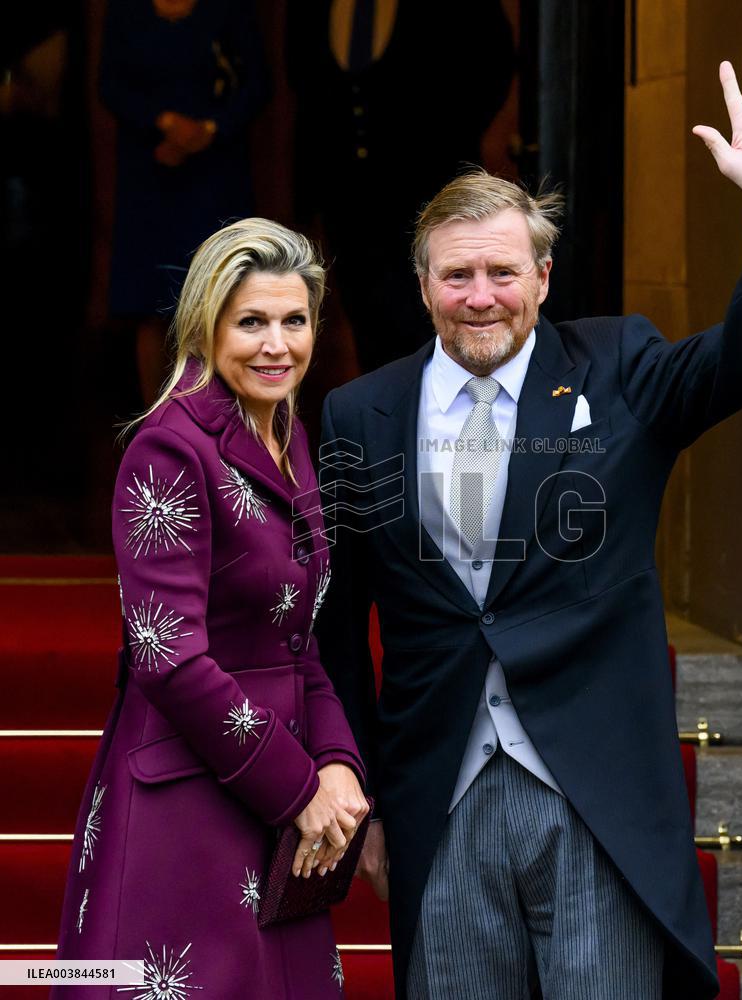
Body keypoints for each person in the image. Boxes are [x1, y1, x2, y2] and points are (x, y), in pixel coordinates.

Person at [315, 50, 742, 999]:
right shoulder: (359, 414)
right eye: (457, 274)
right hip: (440, 797)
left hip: (596, 799)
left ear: (544, 277)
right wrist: (364, 792)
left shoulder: (619, 368)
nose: (480, 295)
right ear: (423, 284)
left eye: (502, 272)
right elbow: (339, 630)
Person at [53, 218, 369, 999]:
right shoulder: (168, 448)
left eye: (294, 321)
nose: (276, 346)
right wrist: (302, 789)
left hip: (278, 810)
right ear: (206, 326)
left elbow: (300, 642)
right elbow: (169, 660)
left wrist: (338, 761)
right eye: (251, 322)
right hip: (187, 808)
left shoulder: (290, 436)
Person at [286, 0, 515, 373]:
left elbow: (494, 64)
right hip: (345, 200)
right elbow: (304, 84)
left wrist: (445, 142)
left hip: (431, 197)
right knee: (369, 330)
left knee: (435, 328)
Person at [99, 0, 268, 403]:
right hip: (149, 172)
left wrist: (208, 130)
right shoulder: (124, 11)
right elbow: (110, 84)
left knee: (220, 300)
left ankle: (219, 421)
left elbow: (258, 82)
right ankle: (157, 425)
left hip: (216, 175)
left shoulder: (229, 9)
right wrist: (164, 124)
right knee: (151, 304)